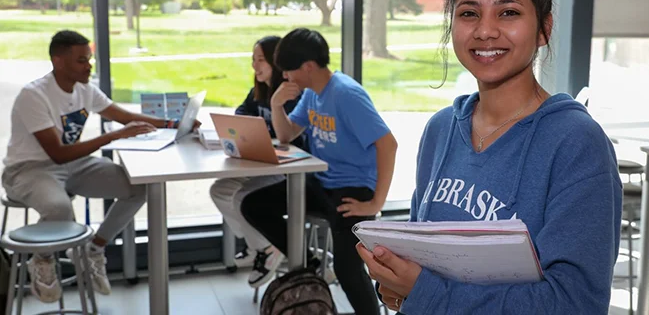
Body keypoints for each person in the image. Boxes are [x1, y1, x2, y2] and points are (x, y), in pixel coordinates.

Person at [356, 0, 622, 314]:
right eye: (468, 13)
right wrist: (394, 286)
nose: (485, 31)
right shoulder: (440, 131)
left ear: (544, 29)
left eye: (508, 13)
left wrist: (426, 292)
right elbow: (421, 264)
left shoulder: (576, 144)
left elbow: (575, 304)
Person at [1, 30, 196, 303]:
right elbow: (57, 154)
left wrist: (175, 124)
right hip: (30, 169)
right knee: (59, 208)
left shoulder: (84, 89)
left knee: (138, 189)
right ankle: (42, 260)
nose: (89, 65)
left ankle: (95, 248)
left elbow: (124, 116)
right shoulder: (34, 95)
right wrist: (113, 135)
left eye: (89, 59)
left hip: (75, 164)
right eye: (81, 60)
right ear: (58, 61)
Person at [240, 28, 398, 315]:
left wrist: (375, 203)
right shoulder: (312, 94)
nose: (286, 77)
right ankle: (308, 263)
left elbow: (388, 145)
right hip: (322, 183)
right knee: (253, 204)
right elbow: (287, 135)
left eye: (289, 71)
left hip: (353, 190)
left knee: (348, 270)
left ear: (308, 67)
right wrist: (276, 104)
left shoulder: (346, 94)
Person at [209, 35, 305, 288]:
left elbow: (289, 134)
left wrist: (262, 131)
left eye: (260, 60)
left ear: (276, 61)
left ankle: (266, 249)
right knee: (219, 189)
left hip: (290, 170)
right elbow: (241, 115)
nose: (254, 66)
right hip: (262, 162)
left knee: (242, 196)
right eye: (253, 59)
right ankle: (261, 245)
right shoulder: (258, 91)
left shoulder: (291, 93)